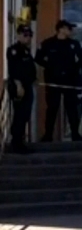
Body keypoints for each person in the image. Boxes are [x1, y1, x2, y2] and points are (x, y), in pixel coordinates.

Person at [35, 19, 82, 141]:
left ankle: (75, 133)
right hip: (53, 81)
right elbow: (38, 58)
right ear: (61, 29)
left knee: (72, 108)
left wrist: (73, 68)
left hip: (70, 81)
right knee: (52, 108)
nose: (71, 31)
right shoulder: (48, 43)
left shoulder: (74, 44)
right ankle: (48, 135)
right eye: (69, 28)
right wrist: (50, 67)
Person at [5, 25, 36, 154]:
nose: (27, 38)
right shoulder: (14, 50)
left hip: (27, 86)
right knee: (20, 114)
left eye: (29, 35)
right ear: (18, 35)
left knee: (25, 115)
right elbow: (14, 70)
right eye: (25, 35)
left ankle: (20, 141)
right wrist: (18, 86)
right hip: (19, 87)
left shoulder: (26, 51)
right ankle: (16, 143)